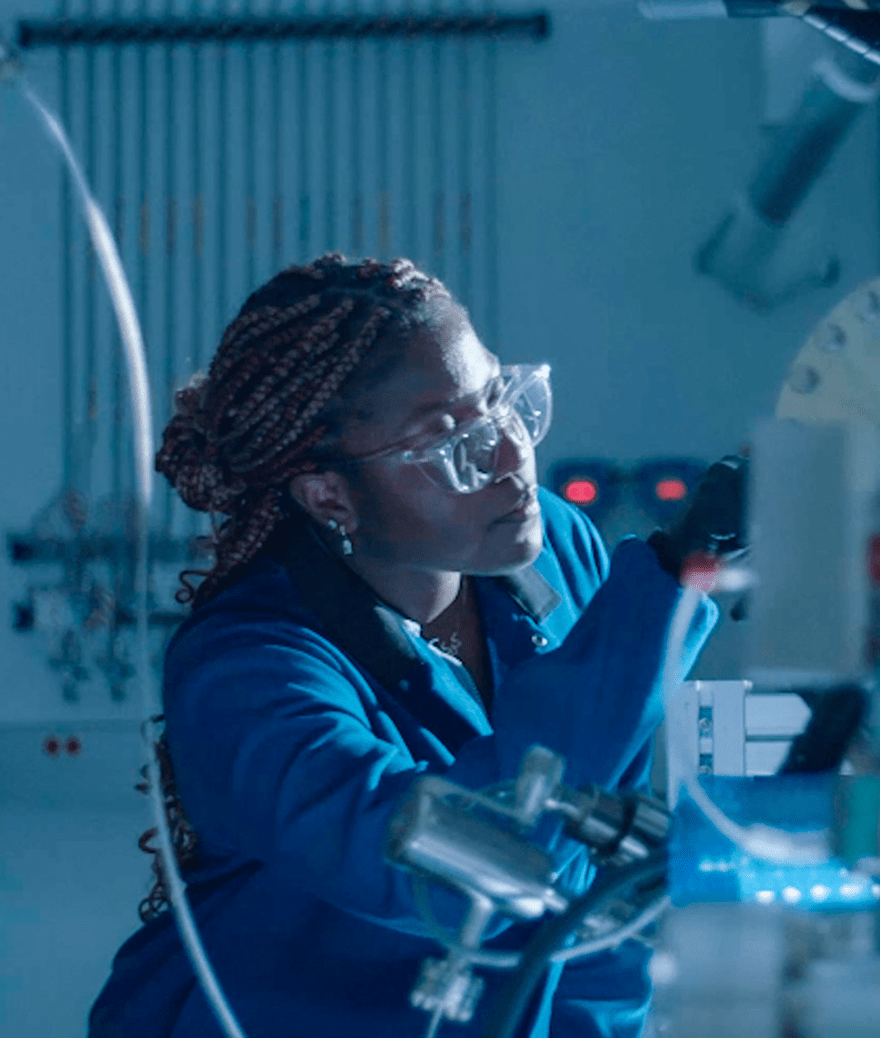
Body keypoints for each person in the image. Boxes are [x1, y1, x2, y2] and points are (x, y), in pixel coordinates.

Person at [88, 253, 719, 1038]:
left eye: (505, 402)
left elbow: (596, 875)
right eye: (453, 445)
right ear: (330, 495)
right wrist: (657, 603)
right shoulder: (245, 674)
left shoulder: (556, 550)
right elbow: (462, 868)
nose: (513, 457)